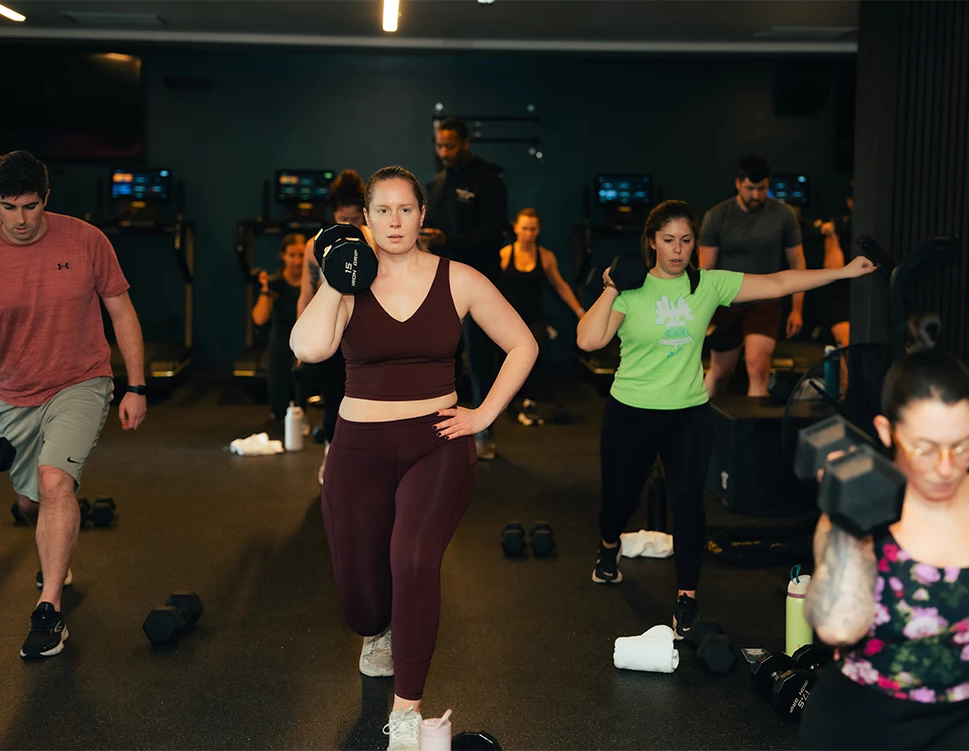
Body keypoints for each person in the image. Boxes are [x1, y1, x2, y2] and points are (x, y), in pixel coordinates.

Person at [290, 165, 536, 751]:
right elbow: (307, 347)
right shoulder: (350, 285)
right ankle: (378, 630)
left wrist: (483, 415)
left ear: (423, 216)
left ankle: (407, 710)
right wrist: (335, 275)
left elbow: (523, 343)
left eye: (406, 210)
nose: (395, 221)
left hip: (438, 443)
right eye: (382, 211)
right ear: (367, 219)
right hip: (358, 449)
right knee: (362, 603)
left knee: (413, 557)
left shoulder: (459, 279)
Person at [576, 199, 874, 638]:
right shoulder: (633, 289)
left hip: (688, 414)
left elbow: (778, 282)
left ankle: (686, 599)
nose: (678, 250)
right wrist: (611, 286)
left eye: (686, 240)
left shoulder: (709, 285)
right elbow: (588, 339)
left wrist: (844, 272)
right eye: (668, 240)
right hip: (631, 412)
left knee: (688, 503)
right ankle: (608, 547)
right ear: (652, 242)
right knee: (619, 502)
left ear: (695, 243)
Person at [0, 150, 147, 659]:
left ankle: (50, 609)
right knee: (29, 501)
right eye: (9, 207)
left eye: (31, 206)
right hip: (10, 392)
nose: (21, 219)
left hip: (79, 382)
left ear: (47, 200)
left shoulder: (86, 240)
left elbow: (121, 312)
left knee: (54, 481)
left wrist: (137, 385)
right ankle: (56, 530)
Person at [798, 334, 969, 750]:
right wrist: (847, 522)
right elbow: (837, 628)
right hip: (863, 724)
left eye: (961, 446)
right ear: (886, 431)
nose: (946, 468)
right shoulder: (866, 513)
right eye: (925, 449)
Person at [424, 116, 509, 460]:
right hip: (443, 282)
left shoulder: (487, 178)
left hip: (480, 284)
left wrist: (450, 239)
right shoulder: (438, 183)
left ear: (465, 143)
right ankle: (444, 430)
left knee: (479, 359)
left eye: (450, 145)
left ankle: (486, 431)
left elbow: (493, 234)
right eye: (439, 145)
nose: (444, 151)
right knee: (443, 357)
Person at [699, 155, 807, 397]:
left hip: (765, 301)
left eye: (762, 189)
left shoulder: (784, 215)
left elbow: (797, 263)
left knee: (758, 368)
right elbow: (705, 269)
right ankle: (702, 427)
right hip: (726, 301)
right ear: (738, 183)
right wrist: (703, 311)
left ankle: (751, 433)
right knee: (720, 371)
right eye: (750, 189)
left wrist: (797, 309)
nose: (756, 196)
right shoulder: (717, 216)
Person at [297, 169, 374, 485]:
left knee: (366, 403)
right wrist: (300, 347)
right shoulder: (314, 247)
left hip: (365, 336)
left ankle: (367, 464)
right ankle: (331, 455)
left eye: (356, 220)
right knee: (333, 402)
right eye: (344, 219)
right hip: (330, 335)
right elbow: (306, 295)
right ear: (333, 215)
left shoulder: (374, 243)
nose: (350, 225)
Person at [498, 207, 585, 425]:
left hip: (535, 317)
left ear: (538, 231)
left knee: (534, 352)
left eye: (533, 229)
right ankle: (506, 402)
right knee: (507, 360)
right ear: (516, 228)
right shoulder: (505, 255)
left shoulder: (545, 257)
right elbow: (489, 287)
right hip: (509, 320)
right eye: (525, 228)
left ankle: (530, 401)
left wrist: (580, 312)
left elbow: (561, 286)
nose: (528, 233)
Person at [252, 233, 306, 422]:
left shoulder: (314, 282)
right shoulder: (275, 283)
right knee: (279, 408)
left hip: (306, 345)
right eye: (292, 255)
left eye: (301, 255)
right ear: (283, 256)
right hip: (281, 345)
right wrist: (266, 289)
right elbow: (259, 319)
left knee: (304, 404)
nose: (297, 261)